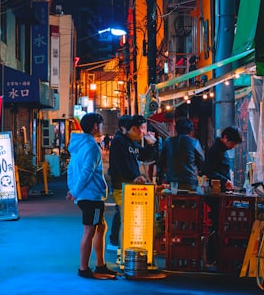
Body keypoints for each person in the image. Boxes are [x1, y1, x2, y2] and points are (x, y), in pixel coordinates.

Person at [66, 112, 118, 279]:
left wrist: (72, 188)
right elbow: (87, 172)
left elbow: (72, 169)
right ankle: (85, 268)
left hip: (85, 195)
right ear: (95, 126)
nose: (101, 128)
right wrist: (74, 191)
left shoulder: (78, 145)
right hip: (91, 195)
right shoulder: (91, 147)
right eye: (100, 125)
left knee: (101, 227)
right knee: (90, 230)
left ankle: (100, 264)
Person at [107, 115, 148, 247]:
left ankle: (116, 242)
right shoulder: (119, 142)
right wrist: (134, 177)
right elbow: (120, 164)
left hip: (130, 185)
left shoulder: (132, 143)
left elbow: (145, 155)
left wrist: (153, 144)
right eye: (141, 128)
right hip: (121, 185)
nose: (143, 132)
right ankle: (121, 246)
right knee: (125, 215)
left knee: (123, 213)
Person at [156, 117, 205, 192]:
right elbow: (201, 162)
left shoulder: (168, 142)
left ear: (176, 129)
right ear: (190, 130)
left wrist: (159, 177)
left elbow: (161, 162)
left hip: (172, 183)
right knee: (191, 202)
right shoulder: (194, 142)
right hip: (190, 183)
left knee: (173, 202)